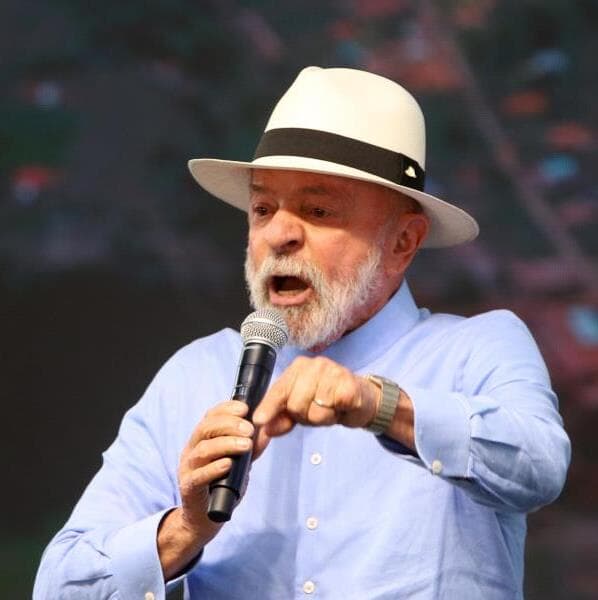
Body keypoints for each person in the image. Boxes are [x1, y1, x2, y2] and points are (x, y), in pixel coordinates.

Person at [34, 66, 570, 600]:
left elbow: (540, 468)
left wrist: (381, 406)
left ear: (403, 241)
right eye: (263, 208)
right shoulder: (195, 374)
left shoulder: (479, 346)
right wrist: (185, 529)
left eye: (317, 210)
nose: (280, 234)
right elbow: (58, 587)